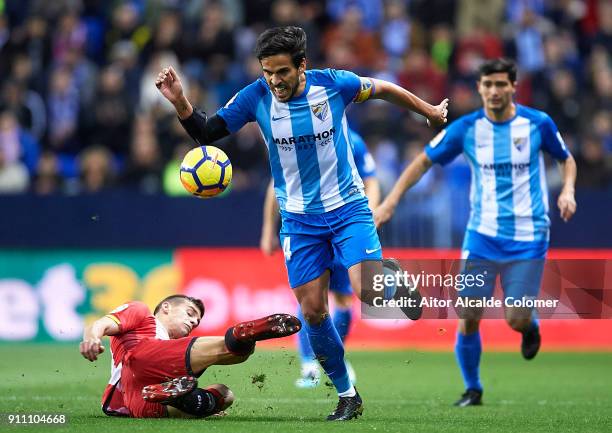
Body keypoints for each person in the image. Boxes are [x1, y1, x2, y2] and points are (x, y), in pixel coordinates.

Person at [155, 26, 448, 420]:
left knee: (368, 293)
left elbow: (383, 88)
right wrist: (181, 102)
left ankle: (391, 280)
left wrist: (427, 109)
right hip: (298, 220)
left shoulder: (336, 85)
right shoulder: (254, 97)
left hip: (348, 208)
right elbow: (208, 134)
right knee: (312, 312)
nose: (274, 81)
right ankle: (347, 394)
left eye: (282, 72)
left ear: (302, 66)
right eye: (267, 72)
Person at [375, 58, 577, 407]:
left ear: (513, 87)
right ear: (479, 88)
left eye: (501, 85)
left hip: (529, 236)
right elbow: (423, 161)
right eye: (488, 85)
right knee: (468, 313)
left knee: (515, 318)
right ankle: (473, 388)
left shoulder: (537, 123)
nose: (495, 91)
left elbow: (566, 158)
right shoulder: (466, 129)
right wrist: (390, 202)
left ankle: (528, 326)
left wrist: (569, 189)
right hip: (482, 235)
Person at [260, 128, 380, 388]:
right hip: (306, 228)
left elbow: (371, 181)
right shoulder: (293, 139)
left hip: (342, 225)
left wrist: (365, 218)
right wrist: (268, 230)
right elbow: (276, 186)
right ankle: (309, 365)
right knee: (311, 299)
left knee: (344, 299)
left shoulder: (351, 140)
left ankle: (334, 355)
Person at [79, 294, 301, 418]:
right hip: (137, 363)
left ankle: (183, 399)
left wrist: (205, 408)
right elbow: (99, 324)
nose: (194, 322)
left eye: (197, 321)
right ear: (166, 307)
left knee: (225, 394)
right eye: (190, 313)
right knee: (228, 347)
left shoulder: (175, 347)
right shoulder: (142, 315)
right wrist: (92, 338)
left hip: (140, 403)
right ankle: (240, 335)